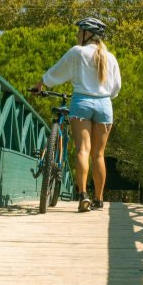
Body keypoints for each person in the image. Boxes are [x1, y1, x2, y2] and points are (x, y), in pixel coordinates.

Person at [35, 17, 121, 212]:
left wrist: (40, 84)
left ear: (87, 34)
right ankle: (99, 199)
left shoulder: (77, 53)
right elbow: (116, 89)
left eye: (79, 31)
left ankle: (83, 195)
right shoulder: (111, 58)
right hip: (105, 105)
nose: (76, 34)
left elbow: (56, 73)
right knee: (98, 154)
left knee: (83, 149)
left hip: (81, 102)